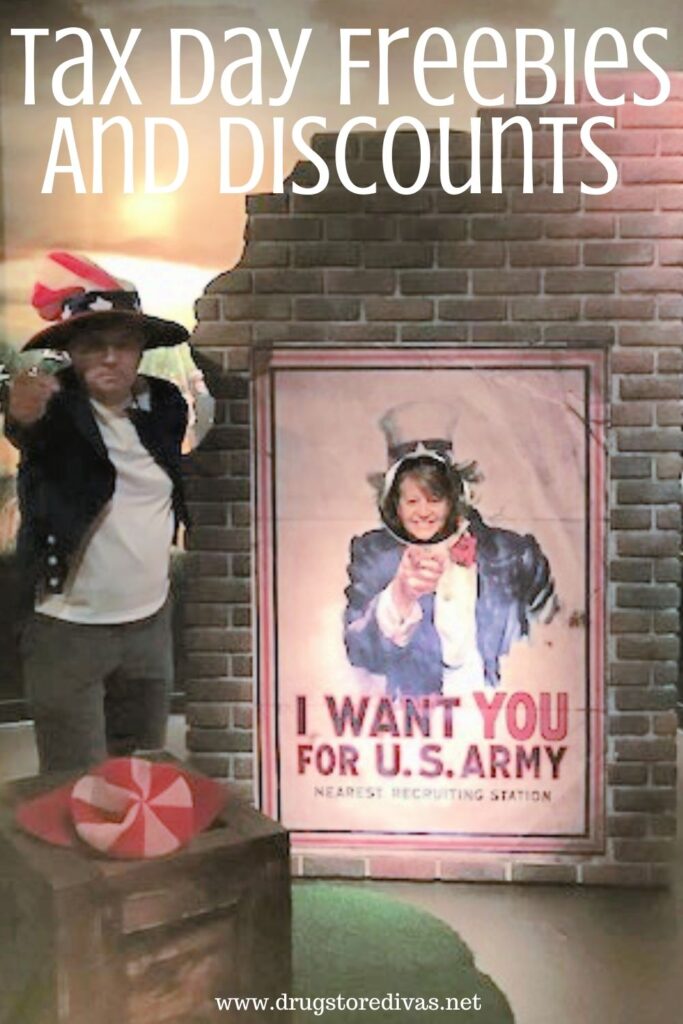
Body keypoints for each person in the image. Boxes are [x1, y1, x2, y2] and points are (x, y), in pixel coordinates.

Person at [4, 251, 190, 772]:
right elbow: (26, 428)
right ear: (70, 354)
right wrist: (20, 414)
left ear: (140, 349)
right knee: (74, 787)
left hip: (150, 627)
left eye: (123, 343)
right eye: (91, 346)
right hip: (69, 633)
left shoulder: (166, 404)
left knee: (141, 776)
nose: (110, 358)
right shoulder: (55, 411)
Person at [344, 403, 556, 698]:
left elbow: (559, 642)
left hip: (502, 720)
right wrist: (399, 596)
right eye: (411, 500)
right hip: (419, 728)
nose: (423, 512)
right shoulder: (373, 555)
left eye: (434, 498)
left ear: (456, 495)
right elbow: (359, 651)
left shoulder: (517, 555)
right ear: (393, 503)